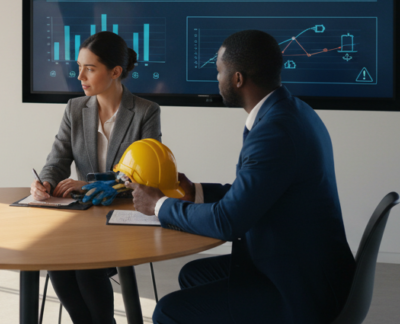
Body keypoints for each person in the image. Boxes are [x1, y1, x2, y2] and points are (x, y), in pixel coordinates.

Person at [129, 30, 355, 324]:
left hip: (300, 289)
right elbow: (253, 192)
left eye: (219, 71)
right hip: (300, 263)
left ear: (237, 79)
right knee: (194, 273)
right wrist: (195, 192)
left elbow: (228, 222)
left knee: (168, 311)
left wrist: (158, 205)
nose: (217, 79)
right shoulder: (288, 111)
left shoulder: (275, 132)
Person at [32, 31, 161, 324]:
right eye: (79, 67)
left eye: (89, 68)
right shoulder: (75, 108)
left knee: (86, 268)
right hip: (85, 215)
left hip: (126, 213)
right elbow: (58, 159)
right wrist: (46, 182)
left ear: (115, 72)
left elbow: (146, 174)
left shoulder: (146, 112)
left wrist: (92, 184)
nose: (80, 76)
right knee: (58, 265)